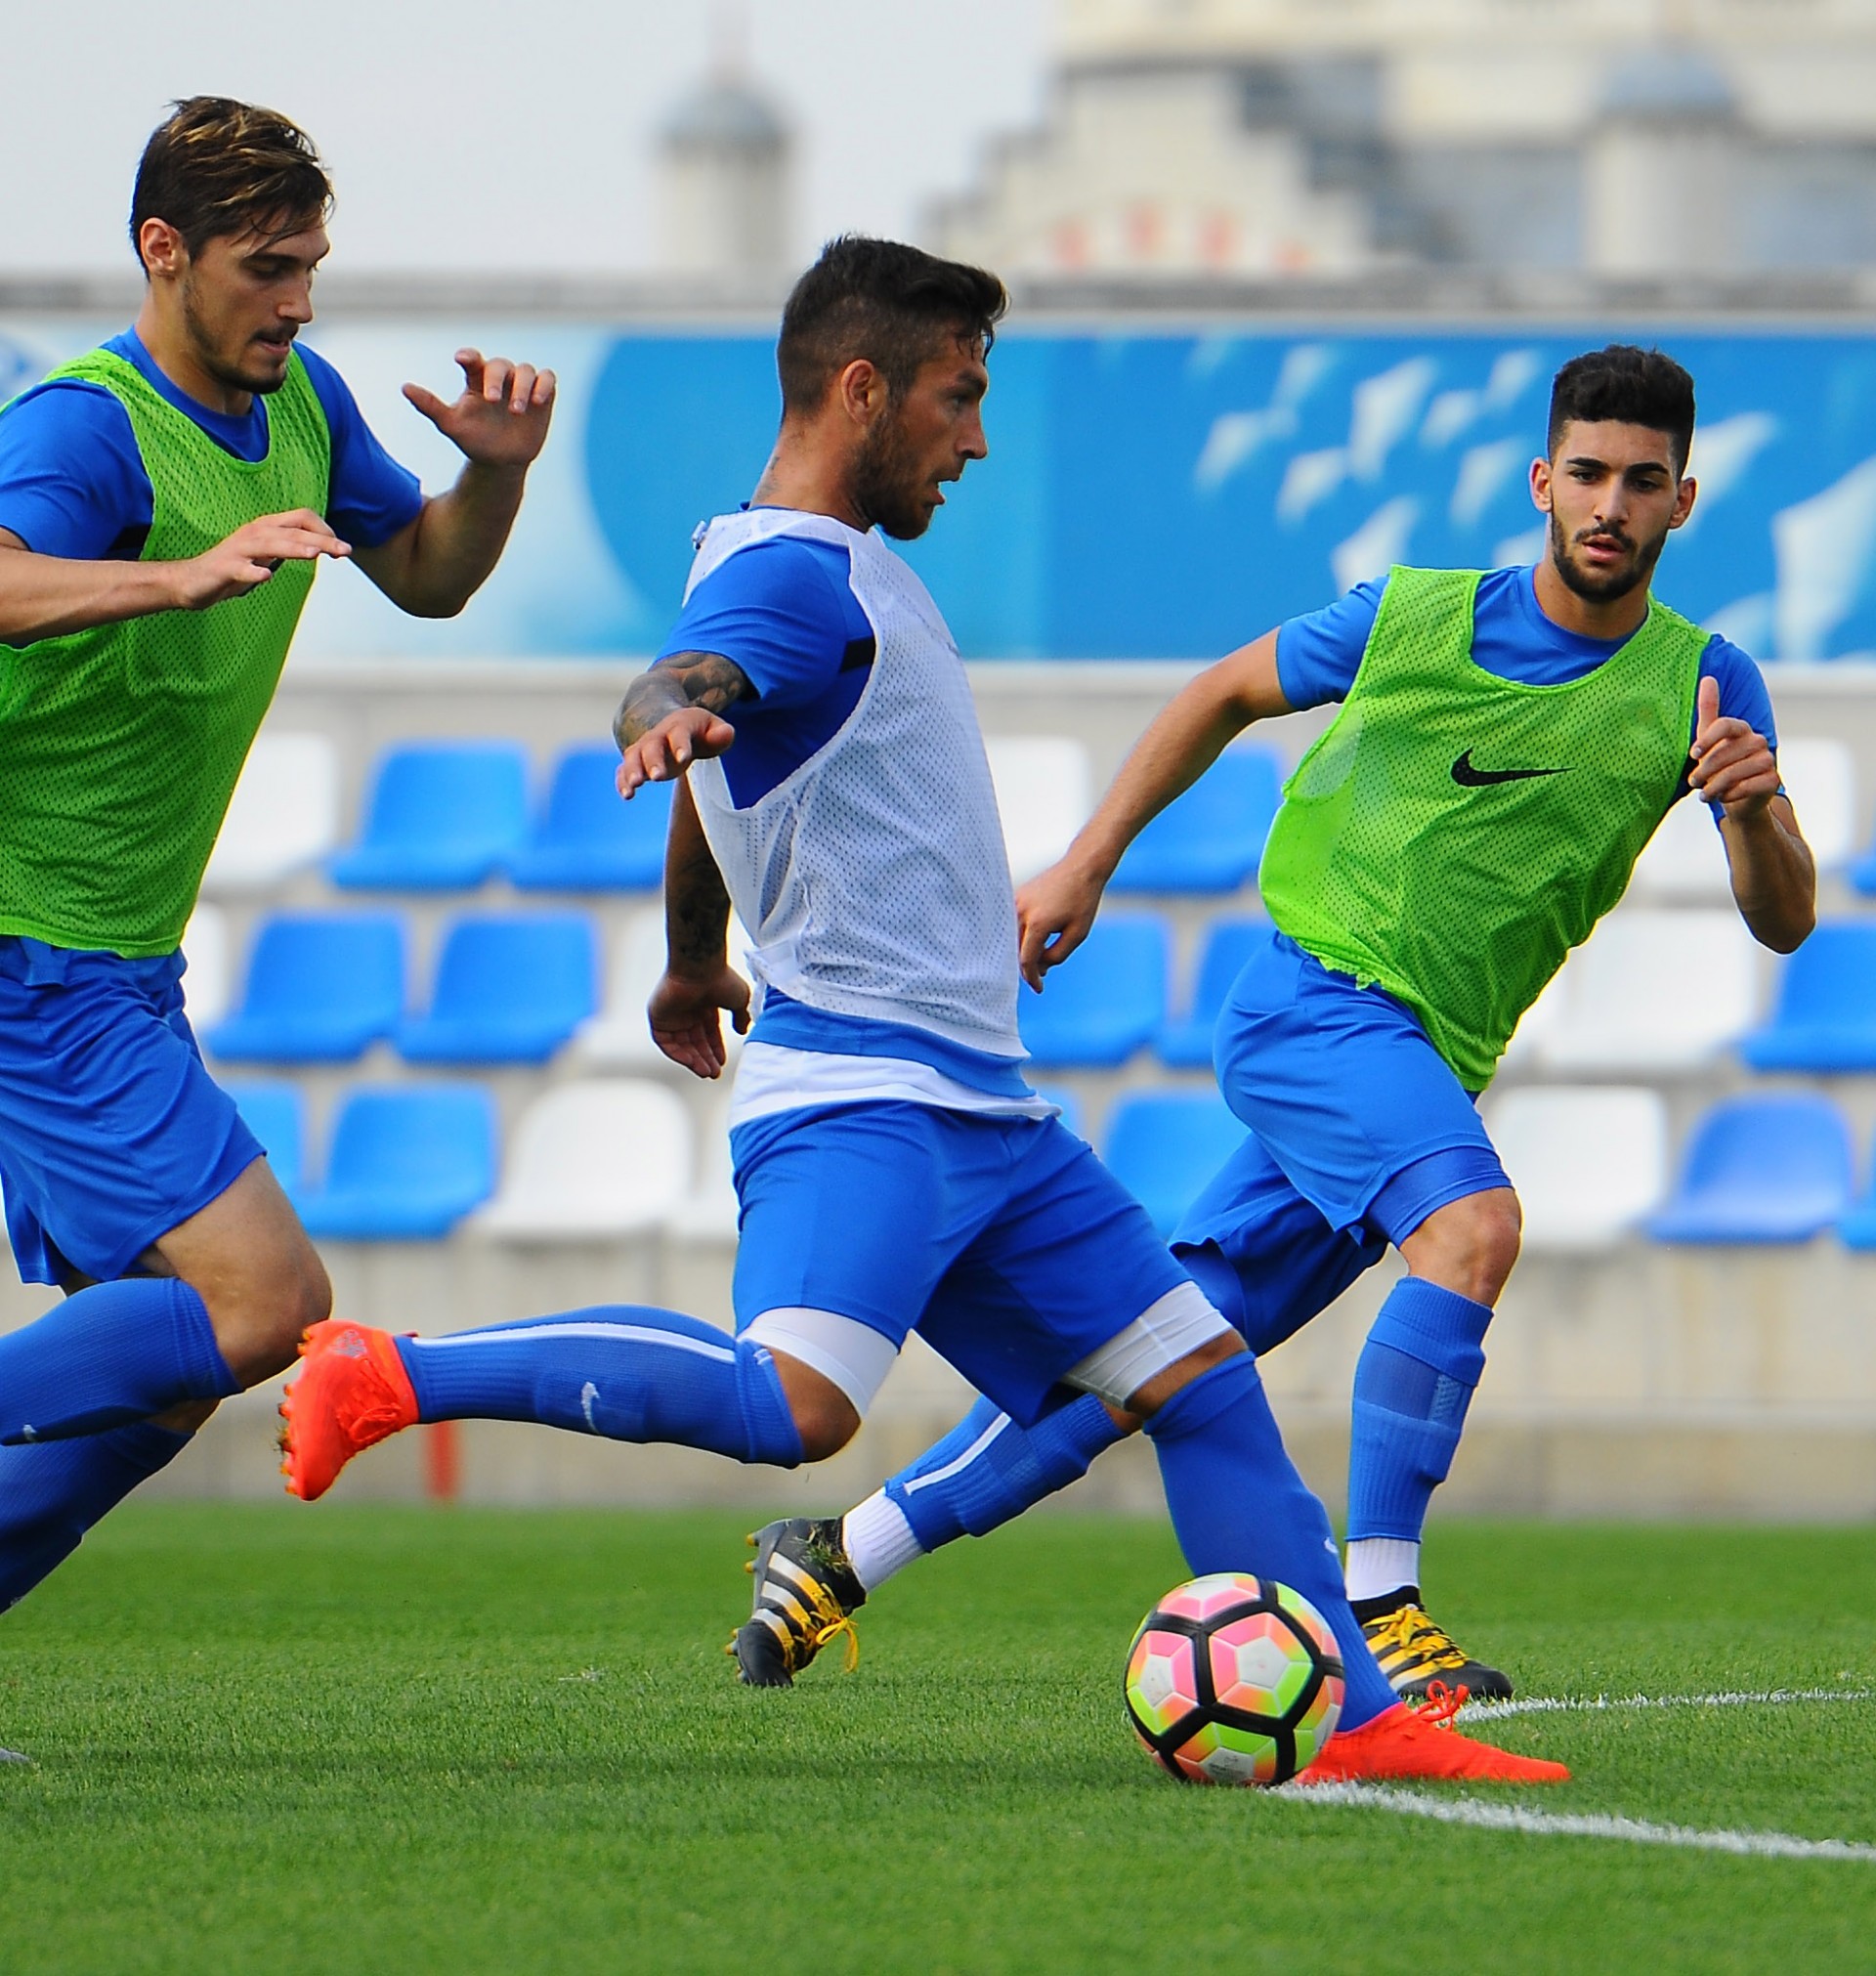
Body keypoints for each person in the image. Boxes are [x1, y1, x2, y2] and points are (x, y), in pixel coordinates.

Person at [278, 235, 1566, 1785]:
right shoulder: (789, 574)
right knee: (794, 1405)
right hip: (865, 1096)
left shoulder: (826, 566)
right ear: (862, 389)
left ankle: (1356, 1723)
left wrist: (691, 952)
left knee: (1201, 1383)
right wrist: (659, 712)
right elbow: (686, 686)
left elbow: (719, 752)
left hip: (988, 1114)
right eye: (958, 398)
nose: (977, 439)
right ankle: (392, 1374)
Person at [773, 343, 1815, 1704]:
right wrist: (1086, 861)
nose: (1610, 505)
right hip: (1315, 1006)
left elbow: (1784, 920)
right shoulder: (1415, 617)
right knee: (1473, 1228)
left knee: (1159, 1351)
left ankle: (843, 1551)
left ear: (1684, 498)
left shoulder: (1707, 685)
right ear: (1540, 481)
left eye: (1642, 481)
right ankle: (1383, 1605)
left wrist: (1756, 808)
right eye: (1588, 473)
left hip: (1420, 1064)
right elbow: (1219, 691)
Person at [0, 97, 554, 1616]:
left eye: (311, 265)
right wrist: (176, 576)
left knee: (166, 1374)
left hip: (115, 960)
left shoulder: (300, 402)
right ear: (162, 251)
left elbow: (428, 575)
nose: (299, 301)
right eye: (266, 267)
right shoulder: (86, 426)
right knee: (264, 1303)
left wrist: (496, 477)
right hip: (31, 946)